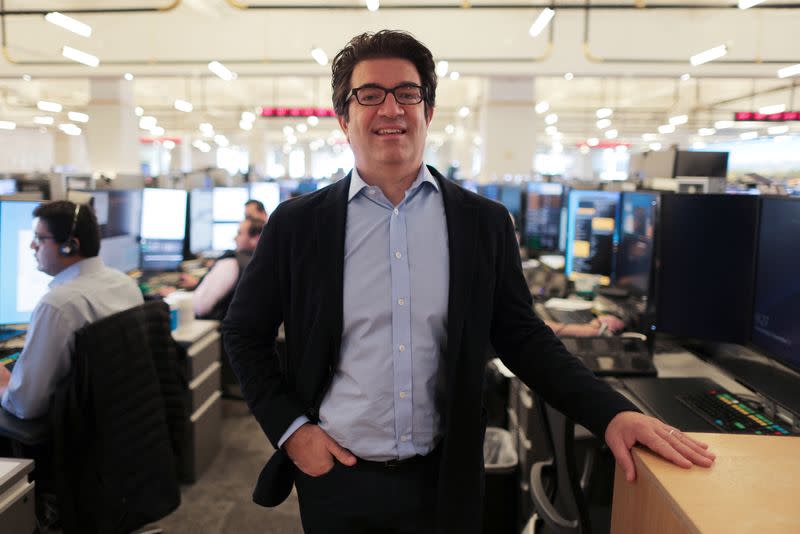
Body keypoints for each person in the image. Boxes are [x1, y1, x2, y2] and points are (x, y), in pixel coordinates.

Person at [222, 30, 715, 533]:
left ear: (428, 111)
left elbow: (523, 340)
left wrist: (611, 414)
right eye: (369, 95)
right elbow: (244, 333)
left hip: (445, 480)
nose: (390, 108)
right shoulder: (297, 224)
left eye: (407, 93)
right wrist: (293, 432)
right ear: (344, 118)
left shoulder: (483, 223)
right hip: (337, 478)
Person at [0, 201, 143, 419]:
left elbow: (25, 406)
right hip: (121, 423)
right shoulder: (125, 284)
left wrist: (5, 385)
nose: (32, 246)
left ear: (70, 246)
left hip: (79, 436)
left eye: (39, 238)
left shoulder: (58, 305)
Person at [193, 216, 263, 320]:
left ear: (255, 239)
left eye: (239, 233)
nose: (234, 238)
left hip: (222, 331)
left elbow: (200, 307)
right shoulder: (266, 264)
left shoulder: (230, 263)